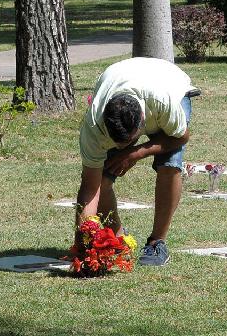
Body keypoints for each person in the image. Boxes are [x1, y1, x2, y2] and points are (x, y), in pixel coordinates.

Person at [75, 57, 199, 266]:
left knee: (169, 165)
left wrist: (135, 153)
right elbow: (90, 188)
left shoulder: (163, 101)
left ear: (143, 119)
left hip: (169, 81)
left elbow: (181, 136)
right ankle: (118, 241)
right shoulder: (94, 125)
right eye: (118, 142)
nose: (122, 148)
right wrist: (81, 246)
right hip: (125, 78)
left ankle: (156, 243)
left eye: (129, 140)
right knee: (103, 178)